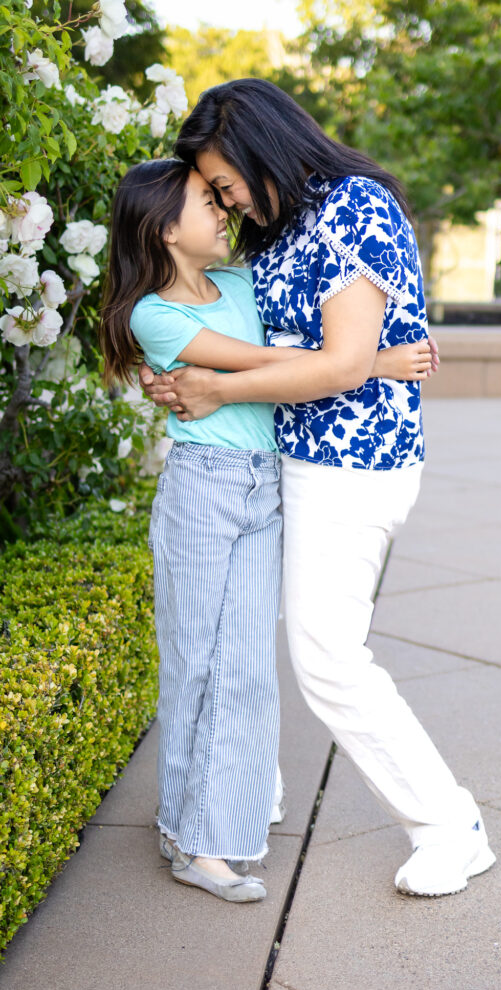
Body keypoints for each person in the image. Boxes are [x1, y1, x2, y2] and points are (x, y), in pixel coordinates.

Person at [140, 79, 496, 897]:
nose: (227, 204)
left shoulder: (354, 209)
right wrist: (190, 372)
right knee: (241, 636)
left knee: (328, 658)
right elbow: (269, 342)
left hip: (354, 463)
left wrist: (215, 388)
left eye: (226, 185)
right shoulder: (284, 223)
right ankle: (240, 801)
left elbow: (336, 364)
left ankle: (450, 827)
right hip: (285, 456)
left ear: (262, 148)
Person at [100, 158, 433, 904]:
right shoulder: (155, 314)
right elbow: (259, 362)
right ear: (163, 229)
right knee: (197, 662)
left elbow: (302, 356)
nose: (224, 210)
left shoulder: (246, 285)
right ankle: (198, 843)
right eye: (206, 201)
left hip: (266, 486)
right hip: (204, 493)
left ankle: (210, 832)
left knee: (245, 667)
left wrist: (352, 358)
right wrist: (373, 363)